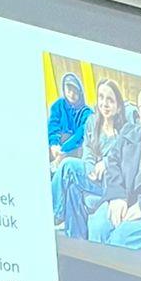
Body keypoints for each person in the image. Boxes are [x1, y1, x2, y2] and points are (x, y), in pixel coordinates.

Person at [88, 83, 141, 247]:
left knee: (121, 238)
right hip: (120, 197)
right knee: (97, 226)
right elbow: (113, 162)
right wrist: (117, 195)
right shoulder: (128, 132)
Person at [56, 76, 128, 238]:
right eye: (101, 97)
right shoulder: (91, 122)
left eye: (110, 100)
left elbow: (124, 159)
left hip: (110, 183)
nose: (104, 103)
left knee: (68, 165)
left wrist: (106, 162)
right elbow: (87, 151)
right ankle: (77, 240)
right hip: (92, 177)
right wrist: (90, 170)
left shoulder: (124, 132)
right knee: (73, 189)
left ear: (118, 107)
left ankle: (55, 213)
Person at [47, 70, 92, 225]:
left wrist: (63, 151)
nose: (72, 93)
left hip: (75, 151)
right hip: (56, 149)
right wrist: (54, 144)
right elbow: (53, 125)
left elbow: (81, 135)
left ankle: (55, 213)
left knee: (66, 165)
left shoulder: (87, 112)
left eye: (75, 90)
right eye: (69, 89)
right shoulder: (58, 105)